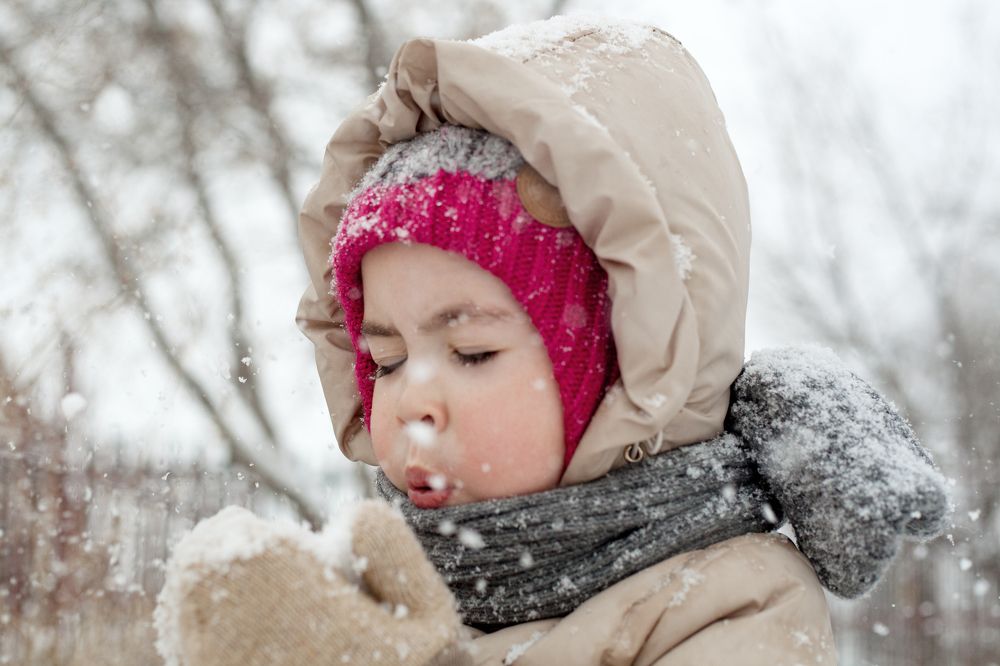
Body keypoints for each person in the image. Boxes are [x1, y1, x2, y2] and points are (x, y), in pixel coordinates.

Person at [154, 15, 949, 665]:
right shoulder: (391, 582)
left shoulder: (726, 601)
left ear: (620, 364)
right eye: (386, 360)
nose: (408, 401)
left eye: (472, 352)